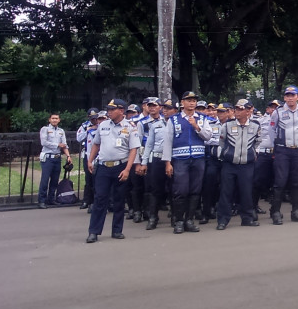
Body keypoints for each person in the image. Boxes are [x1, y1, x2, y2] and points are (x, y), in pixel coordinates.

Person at [85, 99, 140, 243]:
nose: (109, 112)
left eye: (112, 109)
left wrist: (128, 169)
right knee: (100, 199)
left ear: (121, 111)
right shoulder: (102, 125)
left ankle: (117, 230)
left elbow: (133, 149)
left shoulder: (130, 127)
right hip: (103, 166)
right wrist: (90, 160)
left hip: (120, 166)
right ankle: (94, 232)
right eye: (108, 109)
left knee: (119, 199)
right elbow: (96, 144)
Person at [164, 91, 212, 233]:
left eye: (194, 100)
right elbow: (167, 142)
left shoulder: (202, 118)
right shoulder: (174, 119)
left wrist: (197, 126)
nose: (192, 103)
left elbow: (208, 136)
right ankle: (179, 220)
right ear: (182, 102)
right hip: (180, 159)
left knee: (195, 190)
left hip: (198, 158)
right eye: (189, 100)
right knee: (181, 190)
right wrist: (167, 162)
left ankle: (189, 220)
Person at [216, 99, 262, 229]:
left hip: (247, 165)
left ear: (248, 111)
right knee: (226, 192)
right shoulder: (227, 125)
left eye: (241, 109)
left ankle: (247, 218)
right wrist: (225, 154)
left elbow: (258, 142)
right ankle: (223, 220)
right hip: (230, 164)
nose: (238, 112)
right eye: (236, 109)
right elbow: (222, 142)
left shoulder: (255, 125)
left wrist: (254, 154)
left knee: (246, 192)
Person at [270, 86, 298, 224]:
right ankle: (275, 212)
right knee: (280, 182)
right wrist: (273, 146)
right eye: (287, 95)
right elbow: (271, 129)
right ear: (284, 98)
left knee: (297, 182)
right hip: (283, 150)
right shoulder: (279, 112)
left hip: (297, 151)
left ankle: (296, 211)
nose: (290, 98)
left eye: (292, 95)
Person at [136, 98, 168, 230]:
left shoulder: (171, 123)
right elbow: (145, 144)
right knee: (153, 188)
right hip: (154, 158)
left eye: (154, 105)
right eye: (150, 106)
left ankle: (175, 216)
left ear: (160, 107)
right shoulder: (144, 123)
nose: (152, 108)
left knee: (172, 187)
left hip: (171, 159)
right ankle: (152, 216)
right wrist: (142, 162)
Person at [38, 113, 72, 208]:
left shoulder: (61, 131)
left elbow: (64, 144)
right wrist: (57, 145)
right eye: (53, 118)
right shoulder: (45, 129)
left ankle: (51, 199)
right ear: (49, 120)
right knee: (45, 180)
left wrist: (68, 156)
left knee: (55, 180)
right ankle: (41, 200)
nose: (54, 120)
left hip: (57, 158)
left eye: (56, 118)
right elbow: (44, 142)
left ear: (59, 120)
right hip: (48, 157)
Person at [76, 109, 100, 210]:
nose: (94, 120)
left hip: (99, 155)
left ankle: (95, 201)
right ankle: (87, 200)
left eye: (96, 118)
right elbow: (79, 138)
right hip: (88, 154)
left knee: (97, 179)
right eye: (92, 118)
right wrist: (88, 130)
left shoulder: (103, 125)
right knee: (88, 178)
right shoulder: (85, 125)